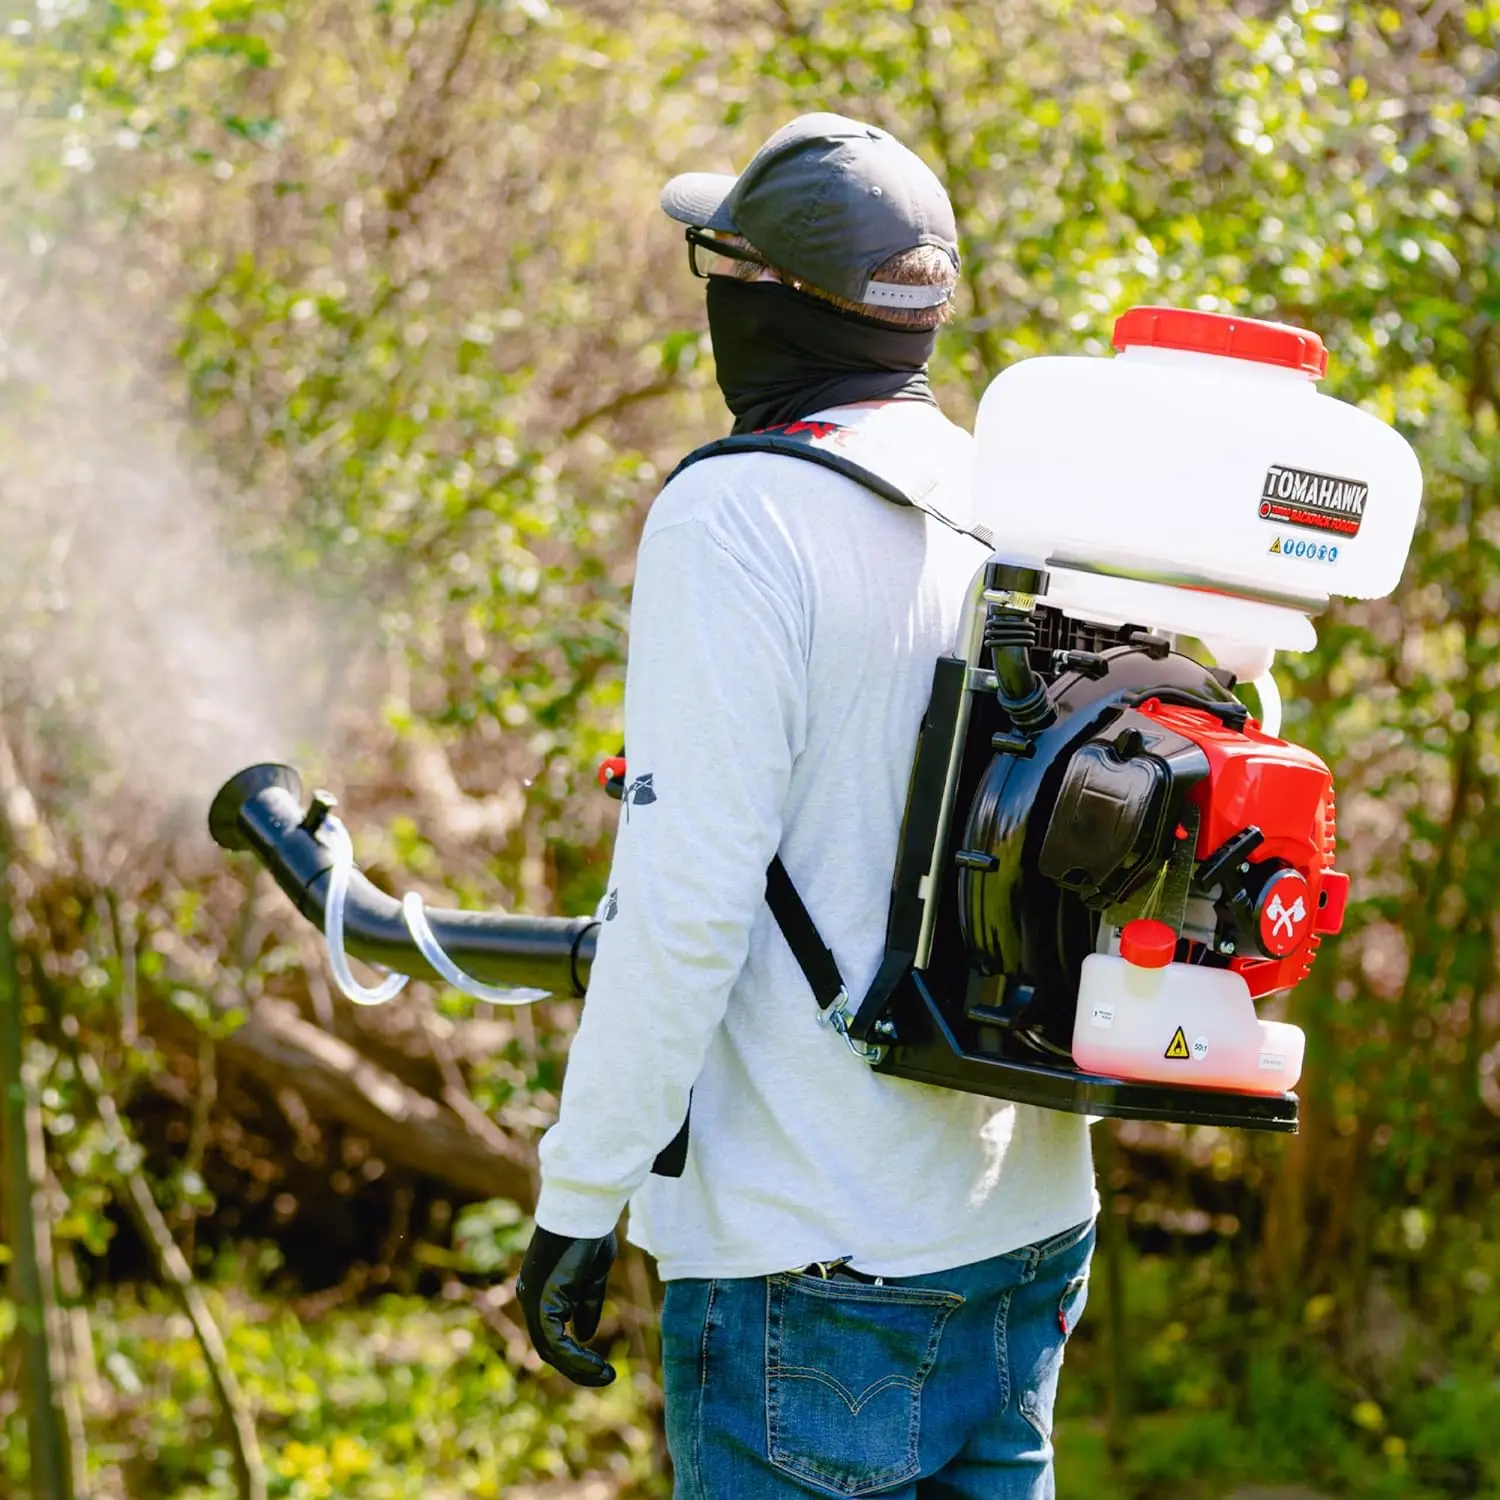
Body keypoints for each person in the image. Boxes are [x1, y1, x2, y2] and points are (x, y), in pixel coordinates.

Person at [517, 113, 1097, 1498]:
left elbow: (683, 907)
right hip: (1023, 1237)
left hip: (812, 1257)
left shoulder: (739, 516)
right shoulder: (1018, 503)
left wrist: (580, 1198)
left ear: (765, 303)